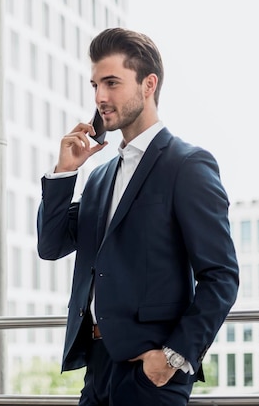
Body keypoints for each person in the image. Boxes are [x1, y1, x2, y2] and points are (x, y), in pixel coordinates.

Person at [36, 27, 239, 406]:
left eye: (112, 83)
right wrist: (65, 173)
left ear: (148, 84)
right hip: (96, 370)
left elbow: (222, 276)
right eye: (95, 84)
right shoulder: (99, 177)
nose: (100, 97)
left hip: (151, 375)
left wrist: (172, 358)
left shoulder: (187, 165)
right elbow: (51, 246)